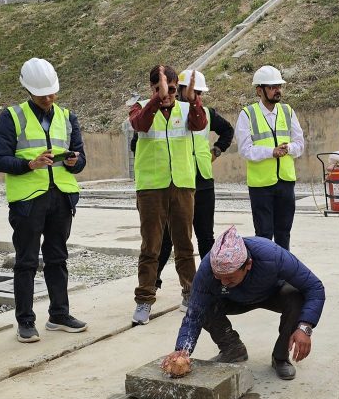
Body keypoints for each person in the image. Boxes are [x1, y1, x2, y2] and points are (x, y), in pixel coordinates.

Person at [0, 58, 87, 343]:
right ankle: (25, 322)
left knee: (58, 258)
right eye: (42, 93)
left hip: (61, 198)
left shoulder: (68, 117)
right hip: (28, 201)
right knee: (27, 262)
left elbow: (80, 160)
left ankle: (59, 314)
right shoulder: (12, 117)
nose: (48, 98)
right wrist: (29, 165)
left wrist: (74, 161)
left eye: (52, 92)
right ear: (27, 89)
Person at [169, 226, 325, 380]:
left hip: (271, 293)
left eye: (229, 277)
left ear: (248, 264)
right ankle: (232, 349)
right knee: (202, 306)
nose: (223, 281)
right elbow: (194, 314)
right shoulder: (206, 270)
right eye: (219, 277)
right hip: (231, 299)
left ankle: (280, 357)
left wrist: (305, 327)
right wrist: (182, 351)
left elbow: (314, 287)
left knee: (296, 297)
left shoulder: (272, 255)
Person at [129, 66, 207, 325]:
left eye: (172, 89)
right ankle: (144, 300)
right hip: (151, 188)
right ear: (151, 88)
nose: (167, 94)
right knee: (150, 246)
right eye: (161, 89)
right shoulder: (139, 107)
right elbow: (140, 125)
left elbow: (200, 124)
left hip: (182, 185)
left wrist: (194, 101)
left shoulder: (186, 109)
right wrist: (155, 101)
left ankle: (191, 295)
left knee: (185, 244)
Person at [154, 70, 234, 302]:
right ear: (177, 90)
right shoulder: (167, 114)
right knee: (169, 239)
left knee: (205, 237)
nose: (195, 95)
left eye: (199, 92)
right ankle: (153, 283)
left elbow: (227, 130)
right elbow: (137, 143)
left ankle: (210, 285)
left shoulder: (206, 113)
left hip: (203, 182)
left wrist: (216, 151)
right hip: (178, 183)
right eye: (192, 91)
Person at [235, 65, 304, 251]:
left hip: (285, 182)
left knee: (284, 233)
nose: (277, 90)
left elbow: (300, 145)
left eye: (279, 86)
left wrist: (288, 148)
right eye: (272, 87)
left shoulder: (288, 111)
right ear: (259, 90)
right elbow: (245, 150)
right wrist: (271, 152)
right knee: (264, 235)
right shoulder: (247, 114)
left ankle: (283, 274)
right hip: (261, 186)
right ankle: (266, 276)